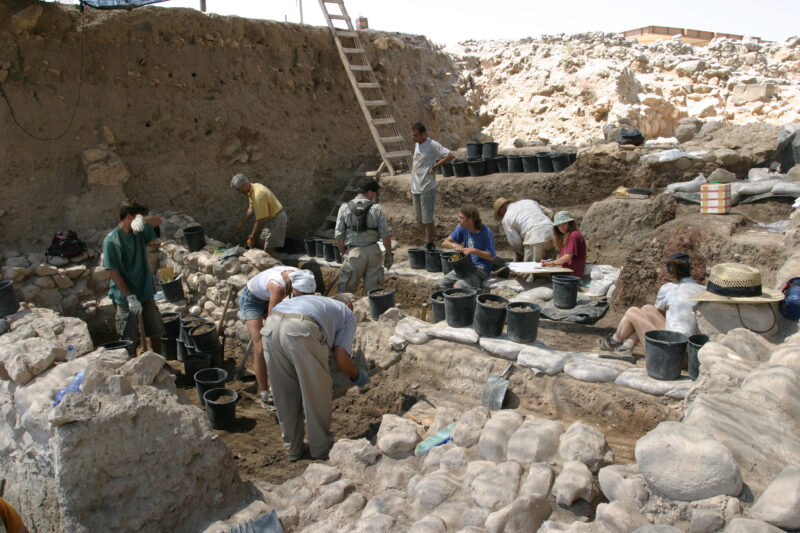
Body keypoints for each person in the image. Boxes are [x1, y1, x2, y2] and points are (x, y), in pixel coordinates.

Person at [261, 286, 369, 461]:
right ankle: (321, 450)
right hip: (300, 328)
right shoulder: (346, 313)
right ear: (348, 305)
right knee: (317, 393)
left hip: (271, 325)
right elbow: (341, 358)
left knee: (284, 393)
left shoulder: (316, 303)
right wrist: (356, 376)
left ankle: (293, 449)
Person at [598, 253, 705, 354]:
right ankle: (627, 345)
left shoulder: (668, 288)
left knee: (633, 312)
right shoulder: (703, 289)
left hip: (673, 351)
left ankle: (615, 340)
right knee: (647, 309)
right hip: (691, 348)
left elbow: (660, 309)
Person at [238, 265, 306, 411]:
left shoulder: (302, 277)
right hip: (252, 301)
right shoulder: (278, 287)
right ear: (292, 287)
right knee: (261, 346)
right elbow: (271, 322)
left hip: (269, 297)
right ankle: (264, 394)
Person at [103, 200, 164, 353]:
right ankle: (132, 367)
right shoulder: (112, 241)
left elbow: (158, 221)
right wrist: (130, 297)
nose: (141, 221)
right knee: (128, 338)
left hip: (145, 290)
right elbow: (114, 273)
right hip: (125, 296)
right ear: (129, 217)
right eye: (139, 217)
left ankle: (159, 362)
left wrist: (143, 220)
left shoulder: (138, 231)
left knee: (155, 329)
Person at [334, 179, 393, 294]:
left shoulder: (344, 207)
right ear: (370, 192)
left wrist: (343, 252)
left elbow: (339, 235)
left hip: (354, 253)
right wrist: (389, 254)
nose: (375, 196)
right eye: (375, 193)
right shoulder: (376, 209)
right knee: (374, 292)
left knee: (345, 291)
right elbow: (385, 235)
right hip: (374, 253)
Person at [410, 122, 455, 250]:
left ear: (423, 134)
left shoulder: (432, 144)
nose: (414, 138)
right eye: (413, 136)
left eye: (416, 135)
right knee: (419, 218)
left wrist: (435, 166)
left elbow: (450, 155)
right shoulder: (417, 145)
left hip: (427, 187)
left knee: (427, 218)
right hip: (416, 187)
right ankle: (427, 240)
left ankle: (429, 243)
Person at [231, 173, 287, 261]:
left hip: (277, 218)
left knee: (269, 250)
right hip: (270, 219)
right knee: (261, 243)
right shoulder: (252, 189)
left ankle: (282, 268)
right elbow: (251, 208)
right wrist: (242, 222)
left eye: (239, 190)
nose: (239, 192)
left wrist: (252, 236)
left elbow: (259, 220)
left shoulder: (258, 195)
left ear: (244, 185)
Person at [439, 205, 496, 290]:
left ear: (470, 220)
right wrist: (453, 245)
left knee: (459, 286)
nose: (458, 220)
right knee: (442, 284)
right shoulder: (462, 228)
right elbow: (444, 243)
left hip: (481, 269)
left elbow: (491, 257)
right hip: (465, 266)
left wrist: (474, 251)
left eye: (461, 218)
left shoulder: (486, 232)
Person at [493, 197, 554, 262]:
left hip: (534, 238)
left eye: (500, 213)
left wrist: (522, 252)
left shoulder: (507, 218)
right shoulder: (528, 202)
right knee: (549, 267)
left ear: (502, 209)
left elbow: (515, 242)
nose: (502, 215)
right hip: (551, 234)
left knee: (531, 269)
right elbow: (550, 213)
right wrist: (545, 227)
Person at [541, 211, 587, 278]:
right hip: (567, 270)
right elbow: (563, 257)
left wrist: (553, 263)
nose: (561, 227)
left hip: (571, 274)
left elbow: (568, 256)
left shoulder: (574, 235)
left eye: (564, 224)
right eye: (559, 225)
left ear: (570, 224)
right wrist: (549, 262)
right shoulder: (567, 236)